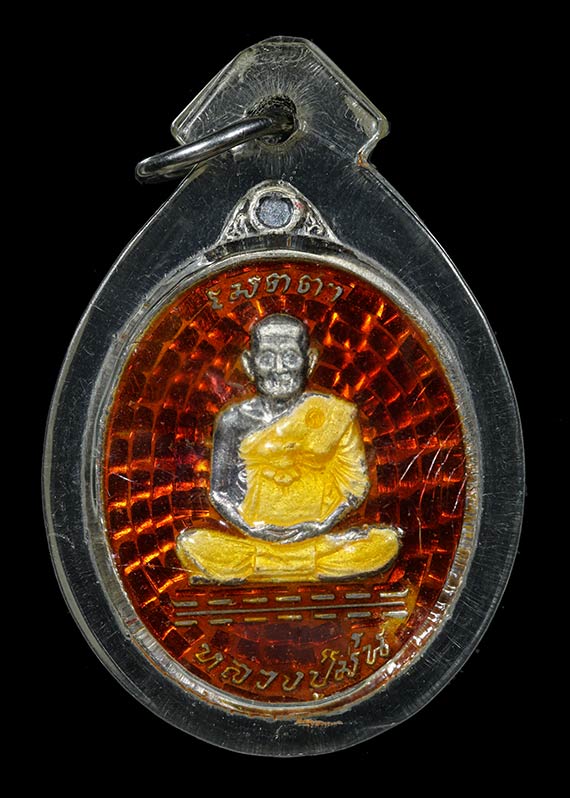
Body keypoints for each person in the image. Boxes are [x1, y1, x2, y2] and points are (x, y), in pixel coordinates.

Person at [176, 313, 401, 582]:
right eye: (267, 358)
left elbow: (355, 487)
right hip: (254, 540)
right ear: (249, 364)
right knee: (192, 543)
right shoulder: (232, 420)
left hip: (320, 538)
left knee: (385, 543)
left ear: (310, 361)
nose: (279, 369)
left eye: (291, 357)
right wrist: (252, 529)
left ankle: (266, 569)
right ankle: (302, 568)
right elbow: (220, 492)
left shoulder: (335, 414)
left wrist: (320, 525)